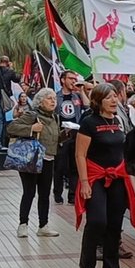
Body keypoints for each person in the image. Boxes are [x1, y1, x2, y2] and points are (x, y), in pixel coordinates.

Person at [74, 82, 135, 268]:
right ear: (98, 101)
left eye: (115, 96)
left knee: (114, 223)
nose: (114, 100)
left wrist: (133, 182)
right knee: (97, 221)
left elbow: (124, 152)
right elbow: (80, 154)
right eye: (109, 97)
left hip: (117, 177)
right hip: (96, 177)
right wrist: (84, 182)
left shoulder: (118, 120)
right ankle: (87, 264)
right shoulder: (89, 122)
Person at [7, 88, 61, 238]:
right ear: (40, 101)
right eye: (49, 98)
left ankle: (43, 225)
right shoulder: (32, 115)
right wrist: (31, 128)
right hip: (31, 159)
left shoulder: (55, 118)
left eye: (54, 98)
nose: (53, 101)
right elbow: (11, 127)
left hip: (48, 159)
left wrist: (65, 135)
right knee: (29, 192)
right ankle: (22, 224)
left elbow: (52, 139)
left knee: (44, 194)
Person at [53, 71, 86, 204]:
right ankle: (57, 193)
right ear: (62, 80)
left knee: (75, 165)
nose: (73, 81)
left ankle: (72, 195)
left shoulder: (77, 96)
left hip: (76, 133)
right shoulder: (56, 97)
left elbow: (88, 105)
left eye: (75, 78)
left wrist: (82, 90)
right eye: (71, 78)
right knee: (60, 166)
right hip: (62, 134)